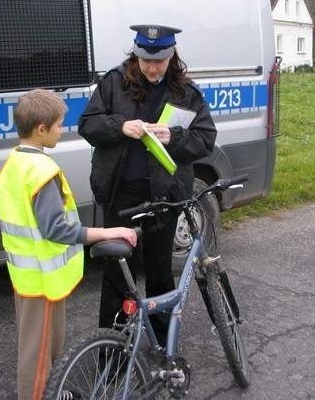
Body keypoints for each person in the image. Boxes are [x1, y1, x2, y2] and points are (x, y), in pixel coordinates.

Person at [78, 25, 217, 346]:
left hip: (163, 198)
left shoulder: (187, 92)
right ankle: (112, 353)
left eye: (160, 61)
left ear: (172, 56)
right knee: (116, 275)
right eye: (145, 60)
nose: (152, 67)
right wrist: (120, 126)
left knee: (159, 274)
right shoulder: (114, 82)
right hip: (120, 196)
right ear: (136, 54)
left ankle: (161, 346)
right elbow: (87, 124)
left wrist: (175, 136)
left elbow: (206, 139)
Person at [0, 89, 137, 400]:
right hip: (42, 282)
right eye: (59, 125)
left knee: (42, 346)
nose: (63, 129)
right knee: (38, 354)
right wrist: (107, 232)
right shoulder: (42, 172)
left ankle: (53, 391)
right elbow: (56, 229)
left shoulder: (14, 162)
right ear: (41, 129)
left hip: (27, 278)